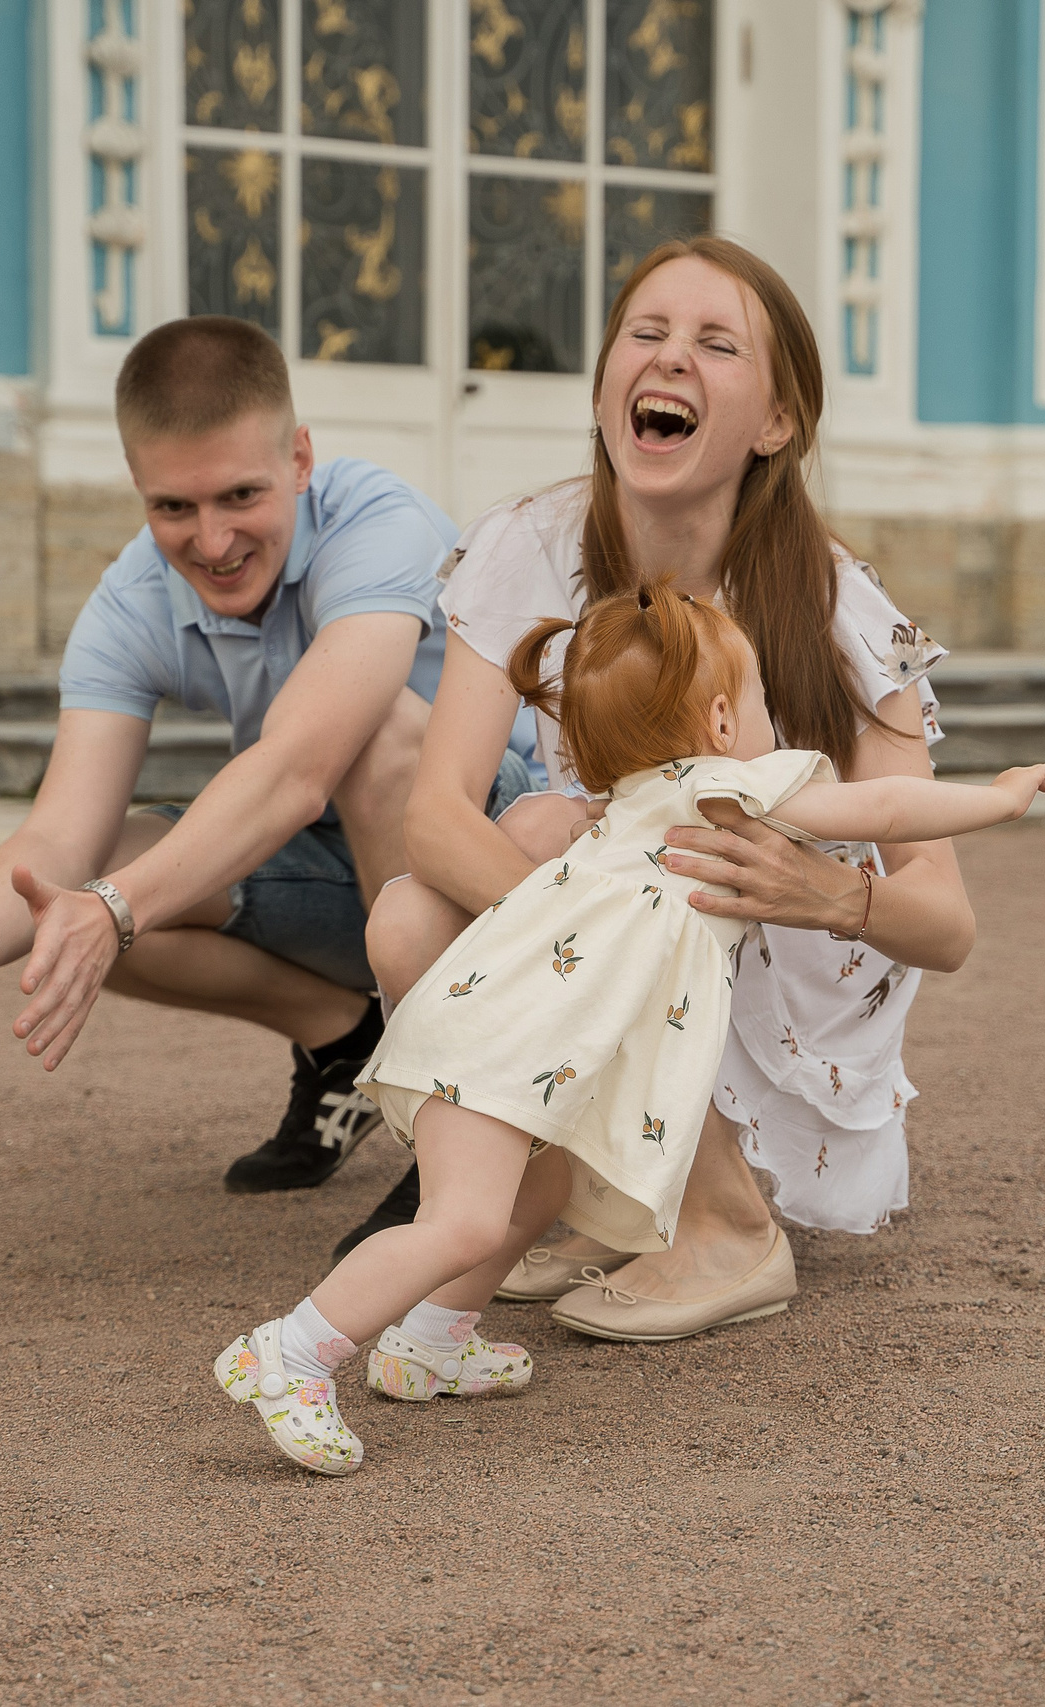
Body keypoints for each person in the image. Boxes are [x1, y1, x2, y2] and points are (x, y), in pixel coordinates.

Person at [214, 588, 1045, 1474]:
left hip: (501, 1043)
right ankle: (296, 1350)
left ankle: (430, 1339)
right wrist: (999, 799)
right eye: (762, 703)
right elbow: (884, 810)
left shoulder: (621, 806)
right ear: (725, 717)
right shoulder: (721, 789)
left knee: (539, 1195)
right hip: (499, 1056)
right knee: (463, 1222)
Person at [359, 235, 977, 1341]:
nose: (669, 359)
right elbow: (437, 816)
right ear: (605, 388)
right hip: (639, 907)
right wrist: (574, 936)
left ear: (776, 424)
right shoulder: (531, 544)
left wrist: (820, 890)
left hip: (780, 947)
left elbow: (946, 919)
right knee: (419, 913)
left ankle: (728, 1226)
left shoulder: (834, 607)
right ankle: (607, 1197)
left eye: (714, 344)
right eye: (644, 335)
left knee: (594, 859)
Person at [0, 316, 527, 1195]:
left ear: (300, 459)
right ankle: (346, 1039)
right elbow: (62, 835)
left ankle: (451, 1110)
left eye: (240, 497)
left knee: (375, 740)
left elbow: (298, 768)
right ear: (139, 487)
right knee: (70, 894)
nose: (211, 543)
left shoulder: (377, 520)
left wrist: (115, 908)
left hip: (506, 861)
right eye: (174, 506)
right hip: (353, 880)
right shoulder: (130, 602)